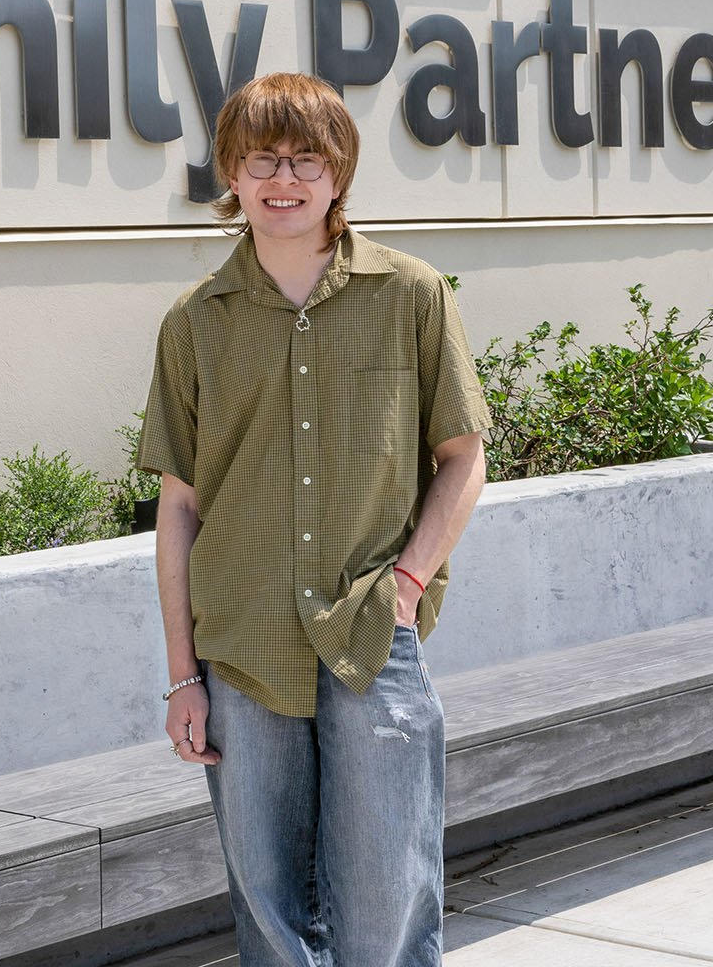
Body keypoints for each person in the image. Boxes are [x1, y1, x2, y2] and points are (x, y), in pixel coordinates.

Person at [137, 71, 490, 966]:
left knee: (387, 890)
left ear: (339, 174)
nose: (283, 178)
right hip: (242, 638)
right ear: (233, 173)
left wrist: (407, 584)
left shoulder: (411, 294)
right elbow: (177, 507)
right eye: (262, 159)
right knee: (267, 903)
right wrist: (183, 677)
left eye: (305, 159)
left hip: (373, 628)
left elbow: (463, 458)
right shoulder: (195, 323)